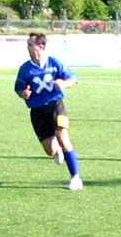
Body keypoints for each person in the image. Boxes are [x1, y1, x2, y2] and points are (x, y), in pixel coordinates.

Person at [14, 32, 83, 191]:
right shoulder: (25, 69)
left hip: (56, 105)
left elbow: (73, 79)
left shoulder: (54, 63)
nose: (28, 48)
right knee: (50, 149)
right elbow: (19, 89)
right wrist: (23, 94)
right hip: (37, 111)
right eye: (28, 45)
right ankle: (57, 150)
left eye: (31, 45)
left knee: (63, 137)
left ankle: (75, 177)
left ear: (41, 46)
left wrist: (64, 84)